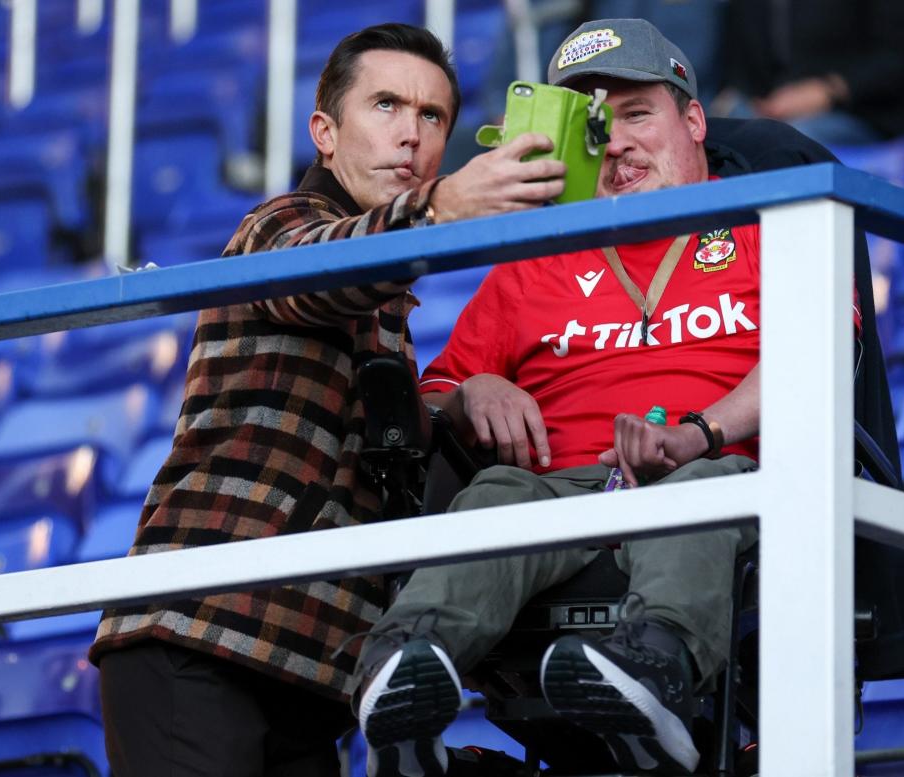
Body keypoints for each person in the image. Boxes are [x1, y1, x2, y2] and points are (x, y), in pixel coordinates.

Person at [348, 19, 904, 777]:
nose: (616, 142)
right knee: (496, 492)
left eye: (636, 113)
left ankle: (649, 675)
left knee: (703, 491)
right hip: (559, 490)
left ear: (692, 120)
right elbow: (439, 389)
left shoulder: (773, 220)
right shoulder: (537, 256)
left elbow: (816, 356)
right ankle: (404, 673)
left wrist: (699, 433)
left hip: (718, 477)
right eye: (594, 125)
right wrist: (473, 391)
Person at [88, 23, 567, 777]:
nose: (409, 134)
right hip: (201, 635)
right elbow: (313, 274)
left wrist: (461, 397)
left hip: (308, 672)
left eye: (431, 115)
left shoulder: (390, 310)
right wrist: (441, 208)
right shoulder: (276, 225)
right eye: (384, 105)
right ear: (325, 132)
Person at [712, 0, 904, 147]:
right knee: (714, 134)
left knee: (789, 140)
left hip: (860, 112)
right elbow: (739, 62)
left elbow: (899, 58)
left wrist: (830, 90)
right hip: (770, 110)